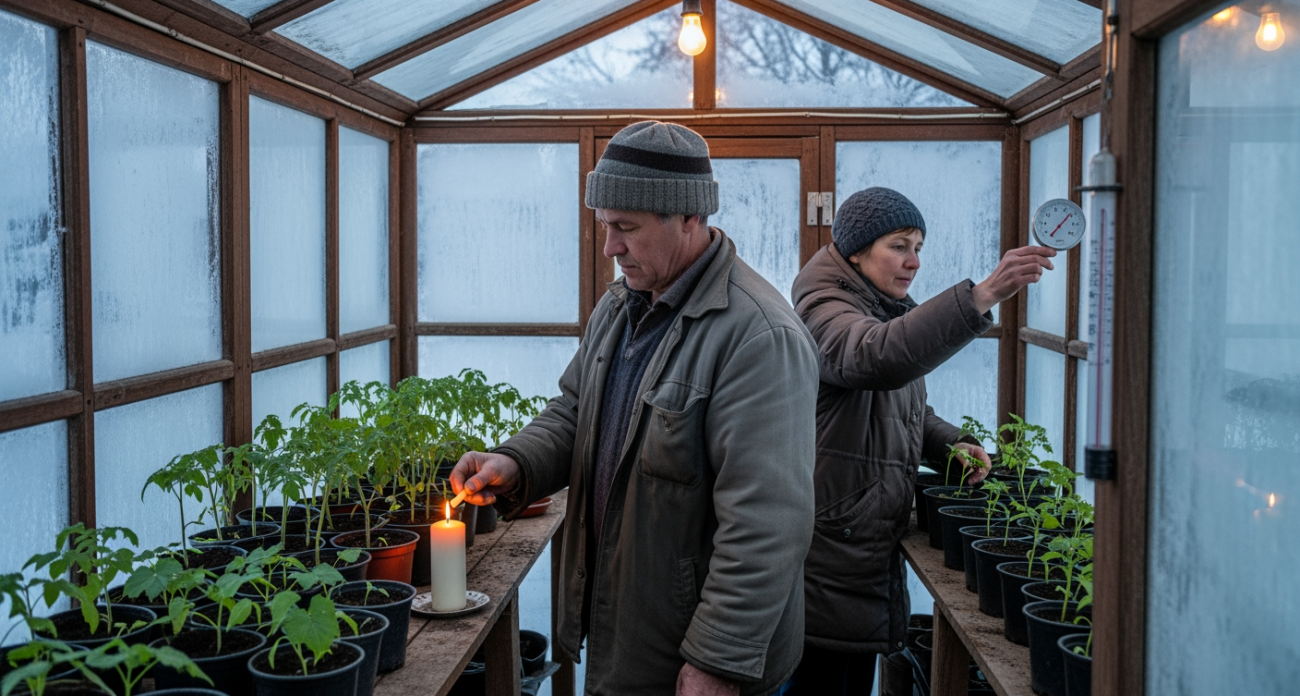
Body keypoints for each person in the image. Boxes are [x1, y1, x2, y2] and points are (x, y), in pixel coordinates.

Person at [449, 121, 820, 696]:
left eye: (626, 227)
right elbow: (576, 410)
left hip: (693, 656)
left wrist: (717, 661)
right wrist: (517, 461)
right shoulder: (621, 305)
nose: (610, 247)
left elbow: (767, 523)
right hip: (629, 631)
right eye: (604, 225)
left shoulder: (758, 336)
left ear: (689, 217)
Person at [785, 187, 1056, 694]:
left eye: (918, 248)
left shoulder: (879, 305)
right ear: (856, 251)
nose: (913, 261)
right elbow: (873, 359)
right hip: (830, 555)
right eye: (899, 246)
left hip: (855, 546)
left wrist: (949, 444)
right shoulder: (823, 308)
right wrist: (982, 295)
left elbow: (892, 407)